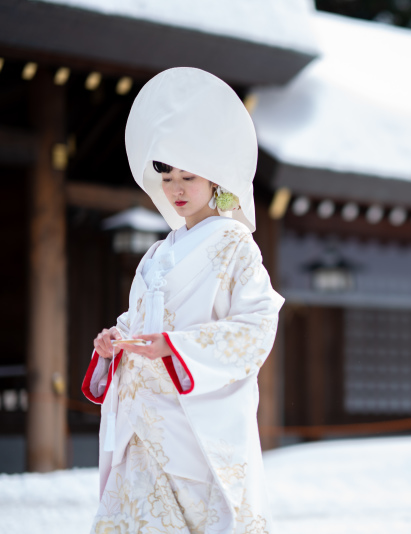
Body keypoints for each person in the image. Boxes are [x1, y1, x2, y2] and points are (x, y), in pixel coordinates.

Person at [82, 67, 284, 534]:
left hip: (197, 420)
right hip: (142, 417)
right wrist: (115, 343)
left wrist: (174, 347)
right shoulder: (158, 253)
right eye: (167, 176)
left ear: (216, 180)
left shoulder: (236, 244)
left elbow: (257, 325)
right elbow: (137, 321)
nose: (175, 188)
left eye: (188, 177)